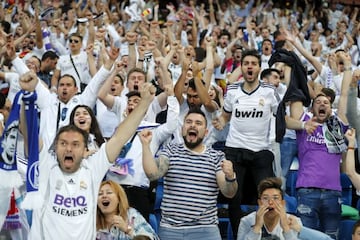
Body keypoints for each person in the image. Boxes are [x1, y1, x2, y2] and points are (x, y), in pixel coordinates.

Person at [19, 70, 156, 239]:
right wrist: (27, 95)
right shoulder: (46, 163)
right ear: (54, 147)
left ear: (85, 149)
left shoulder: (93, 167)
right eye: (63, 143)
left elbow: (121, 137)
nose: (69, 149)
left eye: (75, 144)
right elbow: (28, 132)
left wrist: (144, 104)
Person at [140, 108, 237, 240]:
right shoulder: (171, 150)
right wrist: (145, 146)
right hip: (170, 230)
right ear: (182, 129)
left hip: (205, 230)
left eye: (198, 123)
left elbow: (229, 192)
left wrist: (231, 177)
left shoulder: (216, 156)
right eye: (189, 122)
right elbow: (153, 175)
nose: (192, 125)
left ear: (206, 132)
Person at [284, 50, 352, 239]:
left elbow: (345, 94)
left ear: (331, 108)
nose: (323, 104)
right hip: (307, 190)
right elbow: (289, 113)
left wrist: (347, 67)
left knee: (332, 237)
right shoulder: (305, 120)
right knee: (305, 236)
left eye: (326, 102)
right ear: (313, 107)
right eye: (318, 101)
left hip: (333, 192)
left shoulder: (337, 124)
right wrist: (295, 67)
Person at [212, 49, 279, 238]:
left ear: (259, 68)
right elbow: (226, 116)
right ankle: (237, 235)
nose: (250, 66)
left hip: (261, 150)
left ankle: (267, 234)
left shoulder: (269, 91)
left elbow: (280, 117)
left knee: (268, 196)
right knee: (234, 197)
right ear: (242, 67)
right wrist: (221, 122)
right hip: (235, 149)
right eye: (246, 63)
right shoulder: (232, 90)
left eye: (253, 63)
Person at [238, 177, 333, 240]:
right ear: (259, 202)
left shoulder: (293, 221)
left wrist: (286, 229)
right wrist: (257, 227)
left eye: (275, 198)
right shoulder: (246, 221)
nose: (270, 203)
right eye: (266, 198)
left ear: (283, 203)